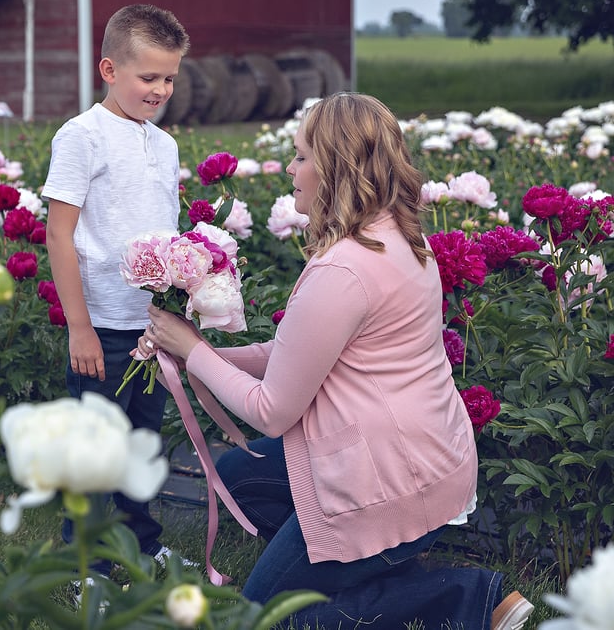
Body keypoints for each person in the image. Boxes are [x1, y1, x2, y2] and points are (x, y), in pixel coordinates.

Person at [138, 92, 535, 630]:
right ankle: (366, 567)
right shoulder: (394, 237)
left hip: (385, 486)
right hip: (427, 461)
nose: (293, 169)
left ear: (337, 169)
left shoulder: (343, 271)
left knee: (267, 620)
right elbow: (291, 355)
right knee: (235, 476)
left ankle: (464, 597)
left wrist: (193, 351)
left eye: (302, 156)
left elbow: (273, 412)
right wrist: (197, 356)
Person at [41, 3, 195, 582]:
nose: (160, 89)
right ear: (109, 69)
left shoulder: (165, 145)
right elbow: (60, 233)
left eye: (170, 78)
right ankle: (83, 561)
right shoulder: (82, 137)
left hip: (150, 325)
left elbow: (165, 235)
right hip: (101, 326)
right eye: (148, 77)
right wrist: (80, 326)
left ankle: (139, 543)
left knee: (140, 444)